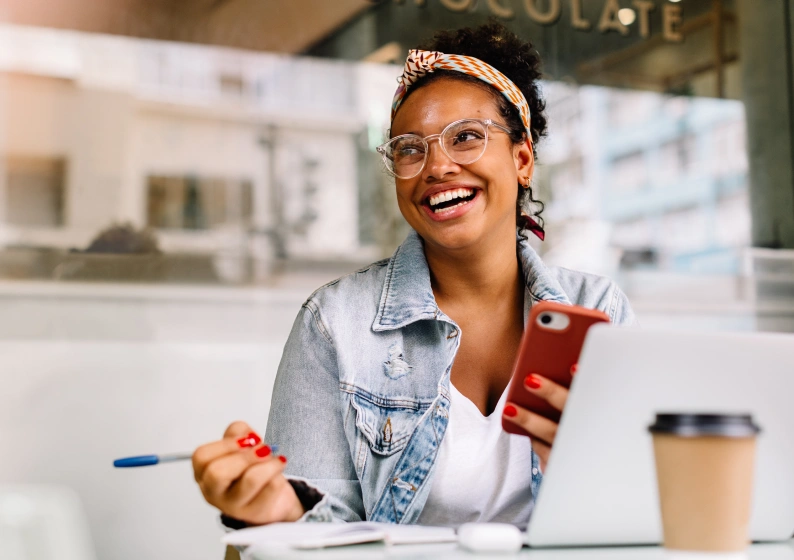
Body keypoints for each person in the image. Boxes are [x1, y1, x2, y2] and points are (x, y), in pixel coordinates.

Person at [192, 22, 635, 529]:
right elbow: (318, 526)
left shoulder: (599, 312)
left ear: (522, 158)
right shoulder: (335, 323)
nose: (436, 166)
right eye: (408, 148)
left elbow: (640, 517)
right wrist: (278, 513)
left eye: (466, 137)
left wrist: (587, 471)